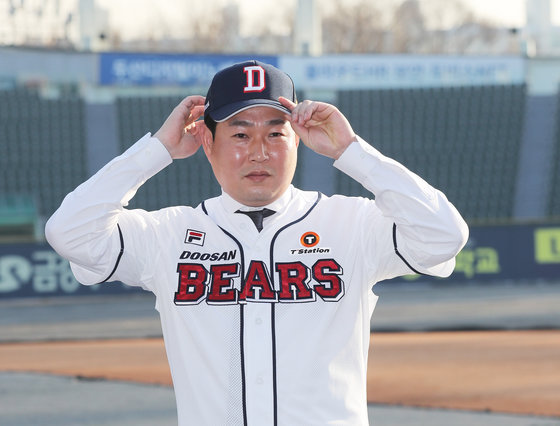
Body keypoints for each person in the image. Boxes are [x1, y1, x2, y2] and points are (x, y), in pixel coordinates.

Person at [46, 60, 468, 426]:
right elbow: (68, 232)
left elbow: (444, 236)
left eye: (275, 134)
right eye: (241, 134)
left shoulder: (351, 224)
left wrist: (351, 150)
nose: (259, 153)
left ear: (298, 141)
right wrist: (155, 151)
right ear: (207, 142)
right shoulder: (169, 236)